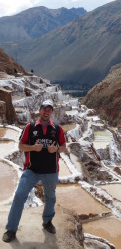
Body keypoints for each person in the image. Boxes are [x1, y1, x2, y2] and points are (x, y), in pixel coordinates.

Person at [2, 99, 66, 243]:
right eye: (44, 108)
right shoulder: (30, 127)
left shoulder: (57, 129)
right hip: (31, 170)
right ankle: (11, 229)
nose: (46, 112)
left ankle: (47, 222)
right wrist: (32, 148)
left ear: (52, 112)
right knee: (19, 196)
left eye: (49, 109)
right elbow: (20, 146)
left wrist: (56, 149)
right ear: (39, 110)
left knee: (50, 197)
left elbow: (63, 147)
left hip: (51, 171)